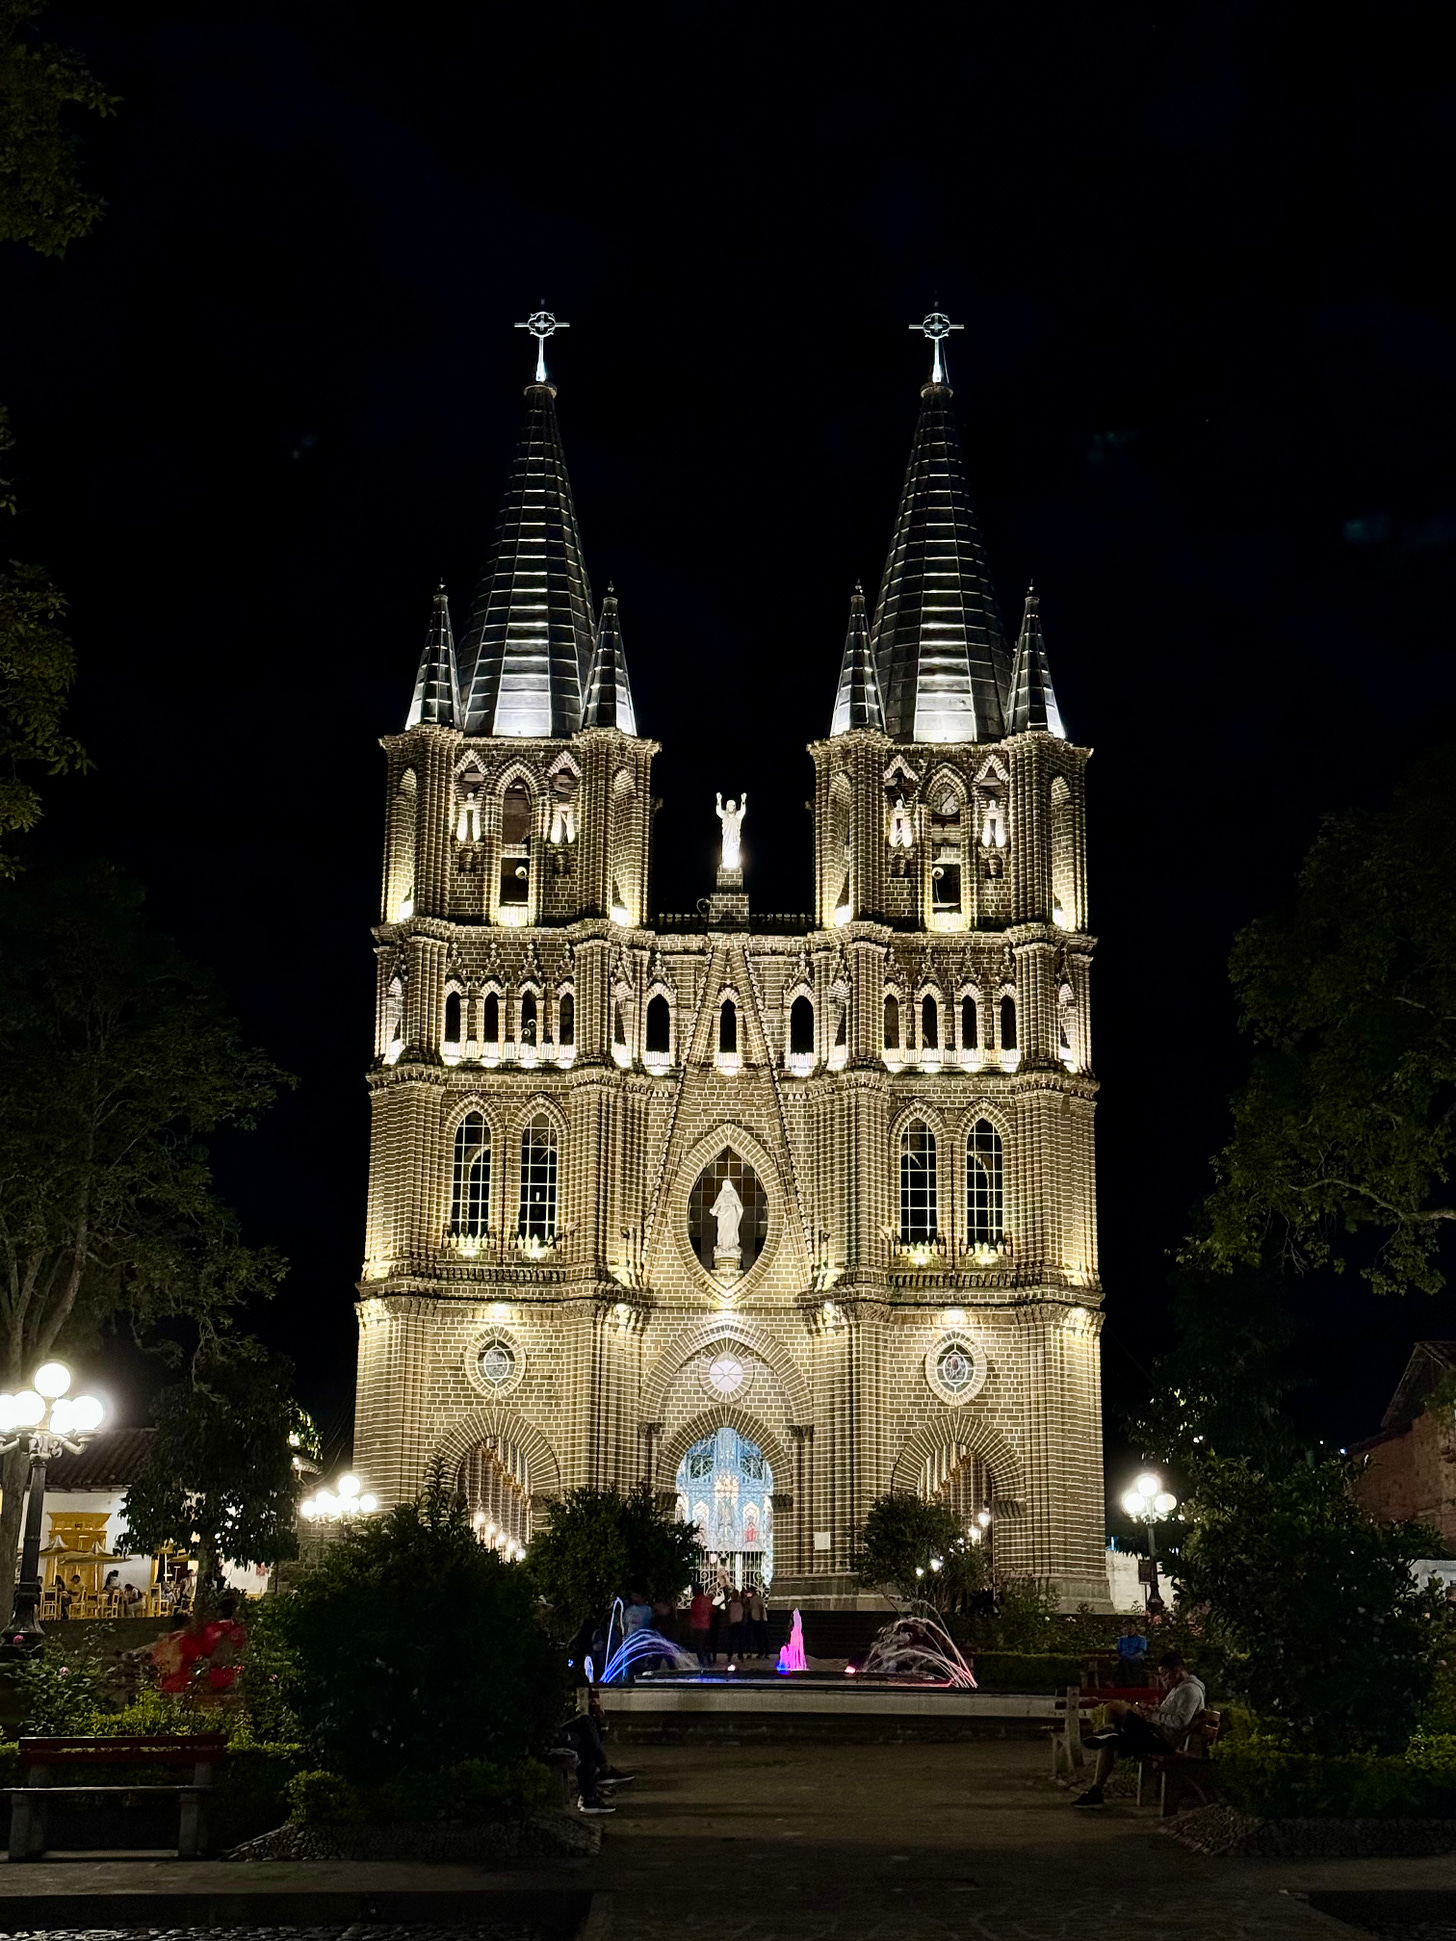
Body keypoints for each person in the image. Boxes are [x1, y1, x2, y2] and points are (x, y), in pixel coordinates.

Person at [1072, 1651, 1208, 1807]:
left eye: (1165, 1675)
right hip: (1155, 1734)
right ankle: (1096, 1788)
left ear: (1177, 1670)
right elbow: (1170, 1714)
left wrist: (1152, 1717)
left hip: (1163, 1741)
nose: (1163, 1680)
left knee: (1115, 1708)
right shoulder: (1180, 1688)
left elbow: (1180, 1722)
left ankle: (1110, 1733)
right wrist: (1154, 1710)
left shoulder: (1190, 1690)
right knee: (1110, 1733)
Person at [551, 1694, 636, 1816]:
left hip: (552, 1729)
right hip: (548, 1734)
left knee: (588, 1729)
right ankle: (599, 1776)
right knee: (586, 1729)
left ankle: (591, 1793)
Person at [1114, 1618, 1148, 1687]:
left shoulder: (1141, 1639)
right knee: (1123, 1662)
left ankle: (1124, 1682)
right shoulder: (1121, 1639)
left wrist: (1131, 1657)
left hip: (1136, 1660)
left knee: (1125, 1663)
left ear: (1135, 1627)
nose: (1129, 1628)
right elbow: (1118, 1652)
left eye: (1131, 1626)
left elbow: (1141, 1652)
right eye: (1127, 1626)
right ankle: (1129, 1683)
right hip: (1124, 1660)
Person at [689, 1583, 713, 1665]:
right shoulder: (707, 1600)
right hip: (706, 1625)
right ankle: (708, 1660)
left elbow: (693, 1612)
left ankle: (702, 1661)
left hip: (697, 1625)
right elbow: (711, 1611)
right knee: (705, 1644)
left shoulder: (695, 1600)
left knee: (698, 1645)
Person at [747, 1585, 768, 1658]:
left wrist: (762, 1618)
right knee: (758, 1637)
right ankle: (761, 1652)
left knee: (761, 1636)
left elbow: (761, 1608)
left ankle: (764, 1652)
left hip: (759, 1619)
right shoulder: (751, 1599)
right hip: (755, 1618)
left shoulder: (758, 1598)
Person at [724, 1589, 744, 1661]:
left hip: (739, 1623)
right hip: (732, 1624)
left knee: (739, 1641)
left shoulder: (741, 1603)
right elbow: (727, 1612)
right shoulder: (730, 1603)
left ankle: (740, 1655)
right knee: (731, 1641)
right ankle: (730, 1655)